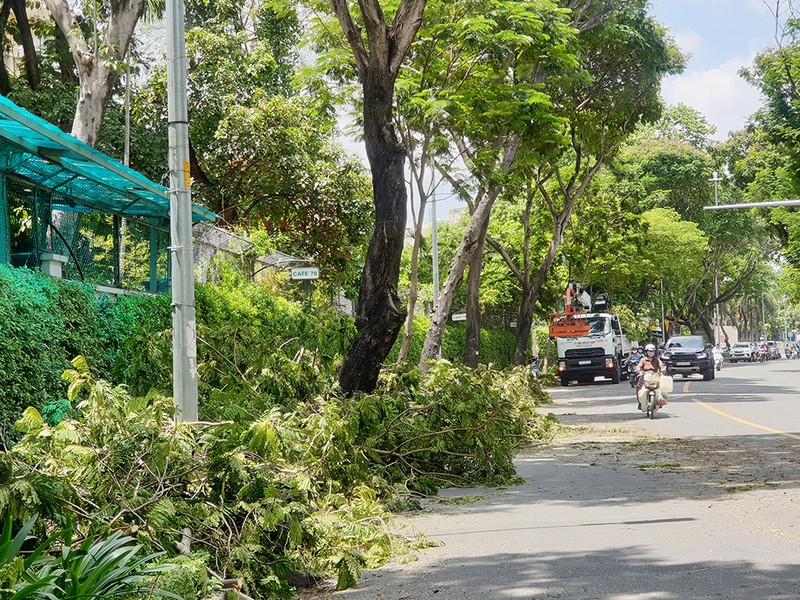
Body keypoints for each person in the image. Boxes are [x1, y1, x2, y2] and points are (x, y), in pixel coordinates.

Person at [636, 343, 663, 411]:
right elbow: (638, 367)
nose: (651, 353)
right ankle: (640, 402)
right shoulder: (643, 360)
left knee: (662, 388)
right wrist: (639, 371)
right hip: (645, 376)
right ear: (646, 352)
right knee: (638, 387)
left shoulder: (657, 360)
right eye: (649, 351)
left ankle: (660, 401)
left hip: (655, 376)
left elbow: (661, 366)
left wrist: (662, 370)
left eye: (652, 351)